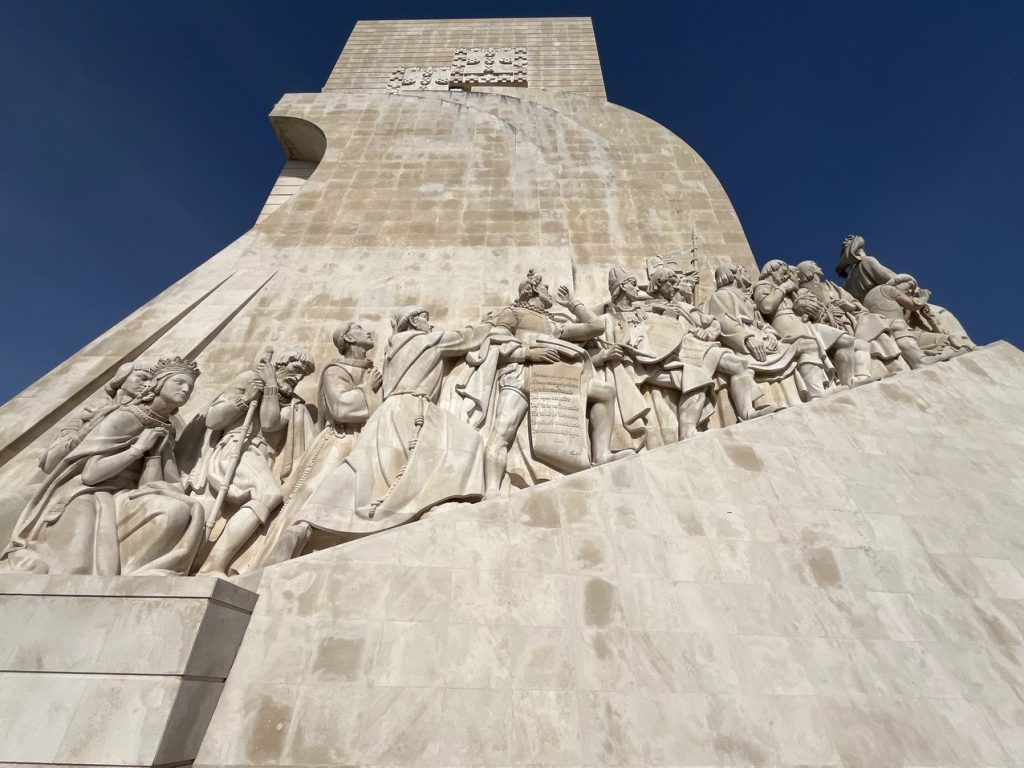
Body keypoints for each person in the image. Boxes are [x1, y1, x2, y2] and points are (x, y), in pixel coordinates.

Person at [261, 307, 493, 564]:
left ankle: (303, 527)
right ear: (414, 321)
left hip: (382, 417)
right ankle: (433, 502)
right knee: (466, 442)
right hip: (398, 413)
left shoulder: (388, 352)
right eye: (425, 319)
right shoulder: (424, 340)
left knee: (360, 472)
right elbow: (467, 337)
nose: (431, 325)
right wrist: (494, 324)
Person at [2, 357, 205, 576]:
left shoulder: (165, 426)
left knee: (178, 509)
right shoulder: (122, 417)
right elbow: (89, 474)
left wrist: (153, 455)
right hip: (87, 491)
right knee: (80, 567)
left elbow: (153, 483)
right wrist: (137, 449)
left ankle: (139, 576)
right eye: (179, 383)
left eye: (190, 387)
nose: (186, 390)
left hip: (125, 493)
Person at [479, 270, 635, 498]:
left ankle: (601, 454)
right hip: (522, 374)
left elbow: (596, 327)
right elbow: (495, 341)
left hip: (555, 377)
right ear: (533, 289)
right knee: (503, 430)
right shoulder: (513, 313)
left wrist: (573, 305)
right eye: (545, 288)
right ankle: (492, 489)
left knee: (605, 391)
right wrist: (527, 352)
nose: (549, 292)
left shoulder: (553, 324)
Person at [255, 323, 382, 567]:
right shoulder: (335, 370)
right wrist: (367, 389)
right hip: (340, 439)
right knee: (314, 492)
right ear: (348, 338)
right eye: (359, 328)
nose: (368, 331)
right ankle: (282, 548)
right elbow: (341, 408)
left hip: (367, 439)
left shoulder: (372, 372)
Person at [193, 349, 316, 577]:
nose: (298, 377)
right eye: (297, 369)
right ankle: (212, 566)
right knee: (268, 494)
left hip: (263, 458)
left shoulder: (292, 404)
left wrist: (270, 387)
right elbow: (213, 419)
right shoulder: (250, 379)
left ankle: (216, 564)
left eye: (303, 375)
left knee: (272, 496)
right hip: (237, 448)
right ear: (280, 364)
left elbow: (270, 423)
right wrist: (245, 398)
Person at [640, 266, 780, 439]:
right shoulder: (646, 309)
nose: (675, 286)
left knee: (739, 365)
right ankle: (688, 431)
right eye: (671, 282)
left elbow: (712, 323)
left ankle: (747, 412)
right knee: (696, 378)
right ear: (659, 284)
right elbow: (646, 336)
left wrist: (707, 333)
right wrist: (667, 319)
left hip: (698, 347)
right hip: (674, 355)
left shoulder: (684, 306)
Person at [752, 260, 873, 389]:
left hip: (805, 325)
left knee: (855, 343)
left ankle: (855, 380)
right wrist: (783, 288)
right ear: (772, 270)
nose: (786, 275)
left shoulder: (788, 289)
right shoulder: (763, 286)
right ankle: (848, 383)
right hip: (788, 327)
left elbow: (811, 310)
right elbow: (766, 306)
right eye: (783, 271)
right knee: (839, 343)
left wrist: (808, 308)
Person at [38, 361, 152, 473]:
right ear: (122, 379)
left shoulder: (148, 417)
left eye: (152, 382)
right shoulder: (89, 412)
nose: (148, 385)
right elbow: (50, 464)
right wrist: (90, 427)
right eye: (143, 378)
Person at [795, 260, 905, 375]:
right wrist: (828, 314)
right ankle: (864, 374)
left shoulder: (831, 285)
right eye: (815, 265)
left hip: (851, 319)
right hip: (831, 325)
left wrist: (850, 306)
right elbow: (808, 314)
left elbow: (854, 303)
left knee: (873, 324)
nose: (820, 267)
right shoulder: (803, 291)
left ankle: (891, 365)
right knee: (858, 343)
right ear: (809, 270)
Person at [862, 274, 964, 364]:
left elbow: (903, 316)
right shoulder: (887, 289)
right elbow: (914, 305)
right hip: (894, 329)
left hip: (887, 329)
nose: (910, 291)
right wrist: (924, 297)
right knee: (900, 327)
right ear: (897, 282)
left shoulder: (882, 296)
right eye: (909, 285)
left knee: (943, 339)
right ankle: (919, 360)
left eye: (912, 289)